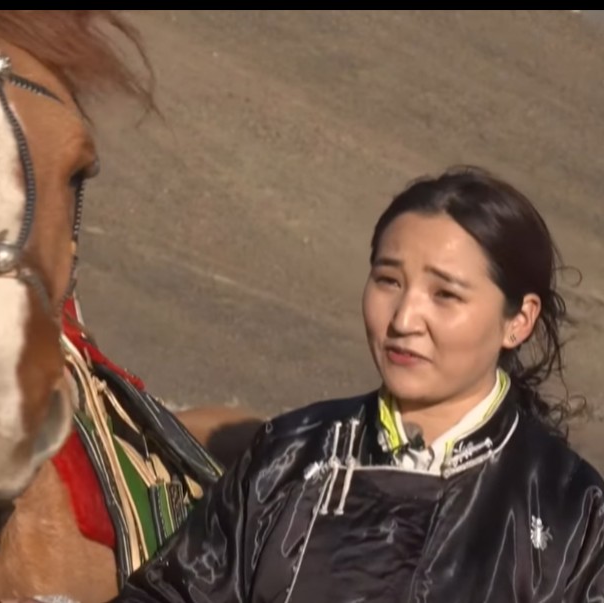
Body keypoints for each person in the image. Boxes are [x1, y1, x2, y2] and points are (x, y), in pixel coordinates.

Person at [106, 165, 604, 602]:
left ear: (519, 321)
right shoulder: (288, 456)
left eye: (445, 294)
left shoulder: (573, 511)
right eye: (389, 281)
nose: (404, 319)